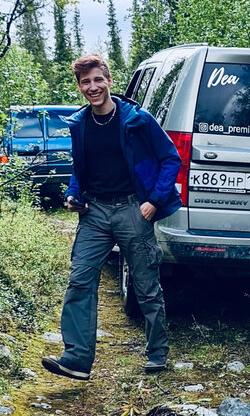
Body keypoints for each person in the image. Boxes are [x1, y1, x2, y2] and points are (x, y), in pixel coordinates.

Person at [42, 53, 181, 380]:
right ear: (79, 86)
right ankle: (76, 358)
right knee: (80, 278)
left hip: (134, 208)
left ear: (109, 81)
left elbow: (170, 159)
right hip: (95, 212)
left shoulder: (137, 119)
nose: (93, 87)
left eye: (97, 80)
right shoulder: (79, 124)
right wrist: (73, 194)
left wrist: (154, 202)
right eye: (86, 82)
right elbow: (81, 169)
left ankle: (157, 351)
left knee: (146, 285)